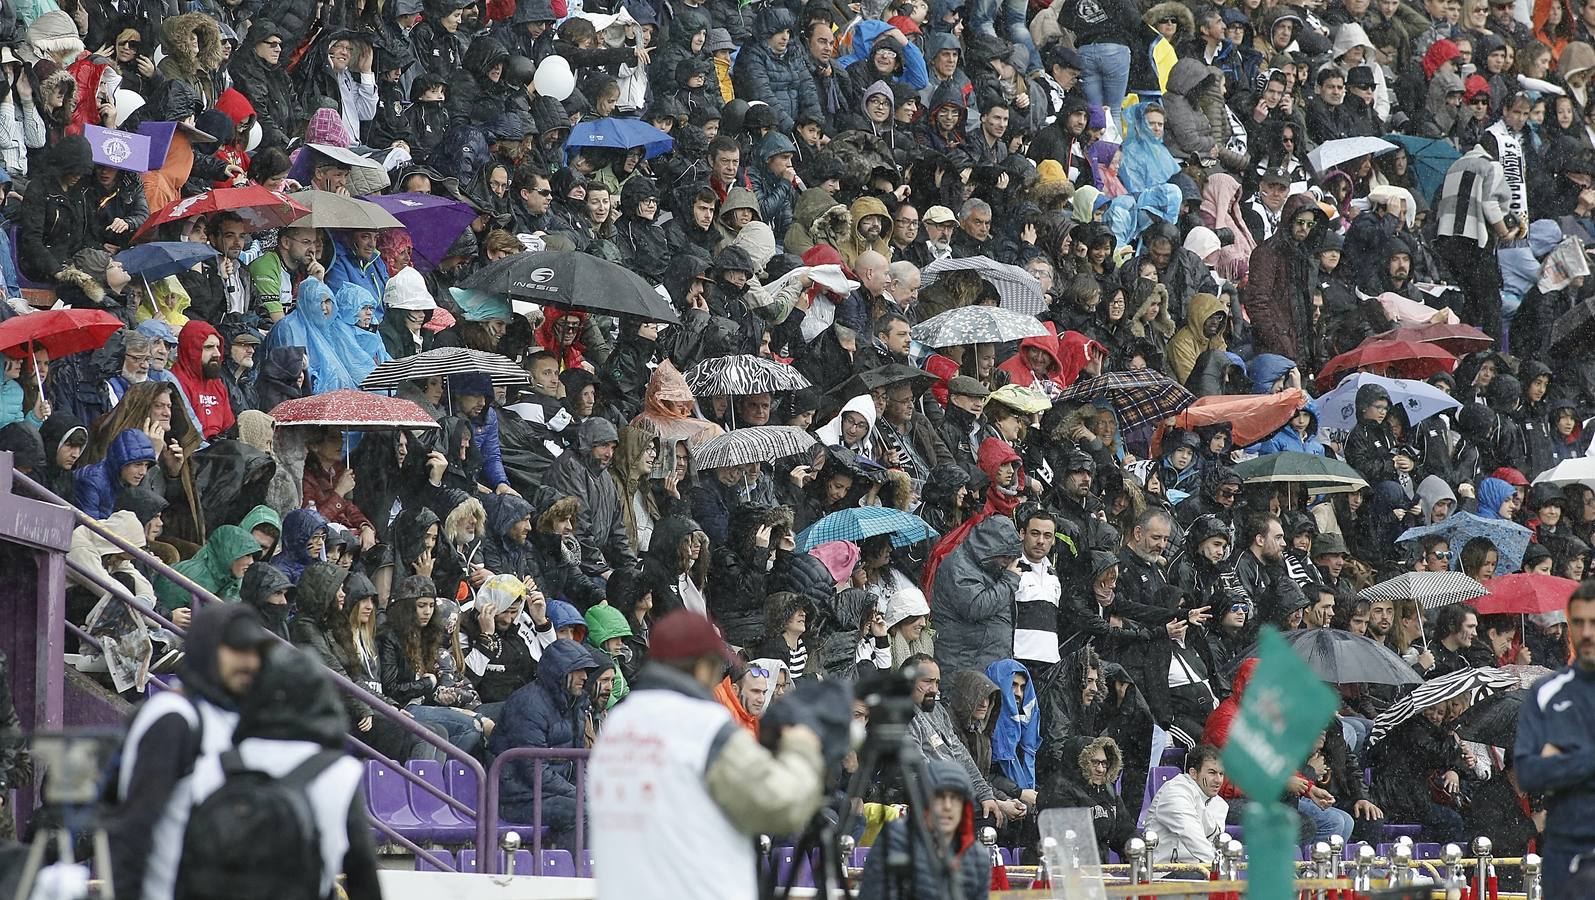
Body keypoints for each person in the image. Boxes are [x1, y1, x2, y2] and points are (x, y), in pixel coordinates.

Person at [588, 610, 826, 898]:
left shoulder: (618, 725)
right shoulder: (703, 726)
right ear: (702, 668)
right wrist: (802, 747)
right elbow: (780, 805)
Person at [103, 604, 273, 900]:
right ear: (207, 649)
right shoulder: (173, 718)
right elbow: (133, 829)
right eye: (237, 650)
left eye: (254, 652)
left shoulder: (227, 718)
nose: (249, 662)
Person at [856, 759, 993, 900]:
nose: (947, 806)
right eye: (939, 798)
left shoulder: (977, 858)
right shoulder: (894, 842)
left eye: (955, 799)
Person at [1143, 744, 1230, 864]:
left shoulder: (1220, 804)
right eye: (1212, 773)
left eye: (1221, 774)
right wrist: (1220, 867)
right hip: (1164, 873)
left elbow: (1214, 845)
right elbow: (1192, 836)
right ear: (1193, 773)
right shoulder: (1175, 791)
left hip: (1198, 870)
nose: (1218, 780)